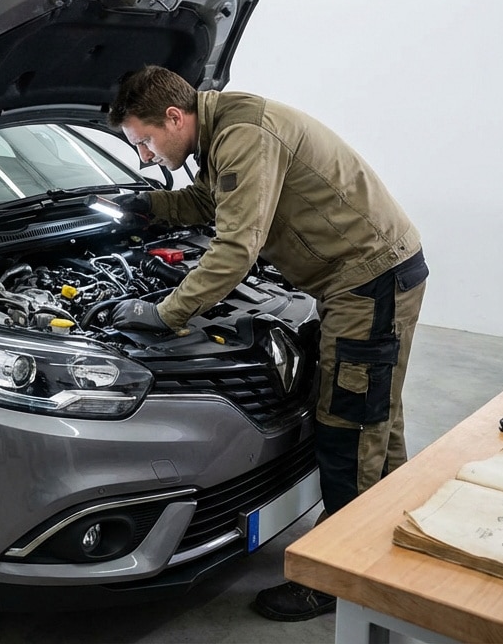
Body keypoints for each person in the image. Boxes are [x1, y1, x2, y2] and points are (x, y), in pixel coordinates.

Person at [107, 65, 428, 622]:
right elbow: (206, 206)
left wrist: (167, 312)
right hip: (359, 277)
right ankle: (391, 539)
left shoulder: (243, 134)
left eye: (144, 141)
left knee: (348, 427)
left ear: (175, 118)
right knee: (376, 420)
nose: (144, 157)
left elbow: (235, 248)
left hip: (367, 280)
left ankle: (338, 579)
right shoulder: (219, 133)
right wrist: (144, 208)